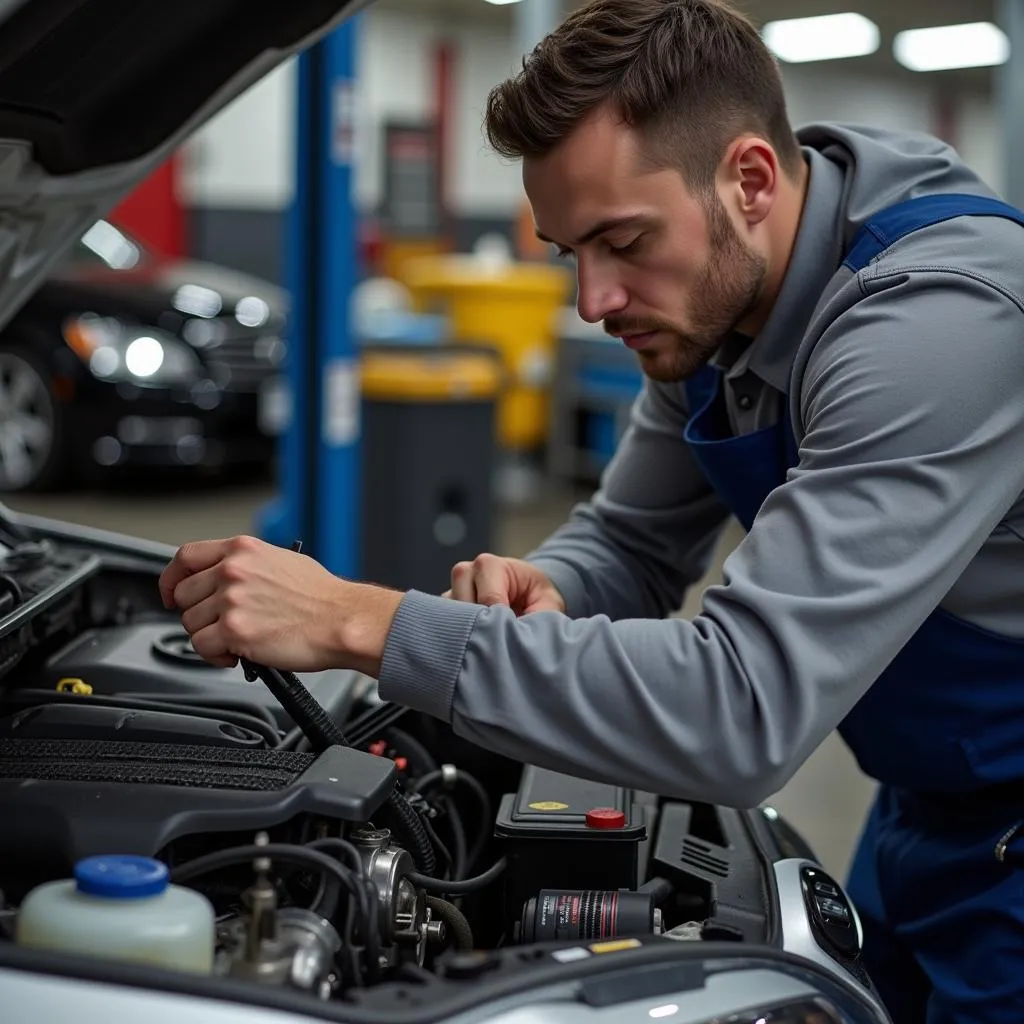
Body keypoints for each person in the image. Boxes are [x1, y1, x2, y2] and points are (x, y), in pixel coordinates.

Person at [159, 1, 1024, 1020]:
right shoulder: (717, 290)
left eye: (621, 241)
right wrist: (554, 584)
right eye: (571, 250)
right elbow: (630, 539)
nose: (591, 301)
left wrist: (359, 621)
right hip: (926, 802)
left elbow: (740, 710)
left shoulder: (934, 327)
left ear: (749, 178)